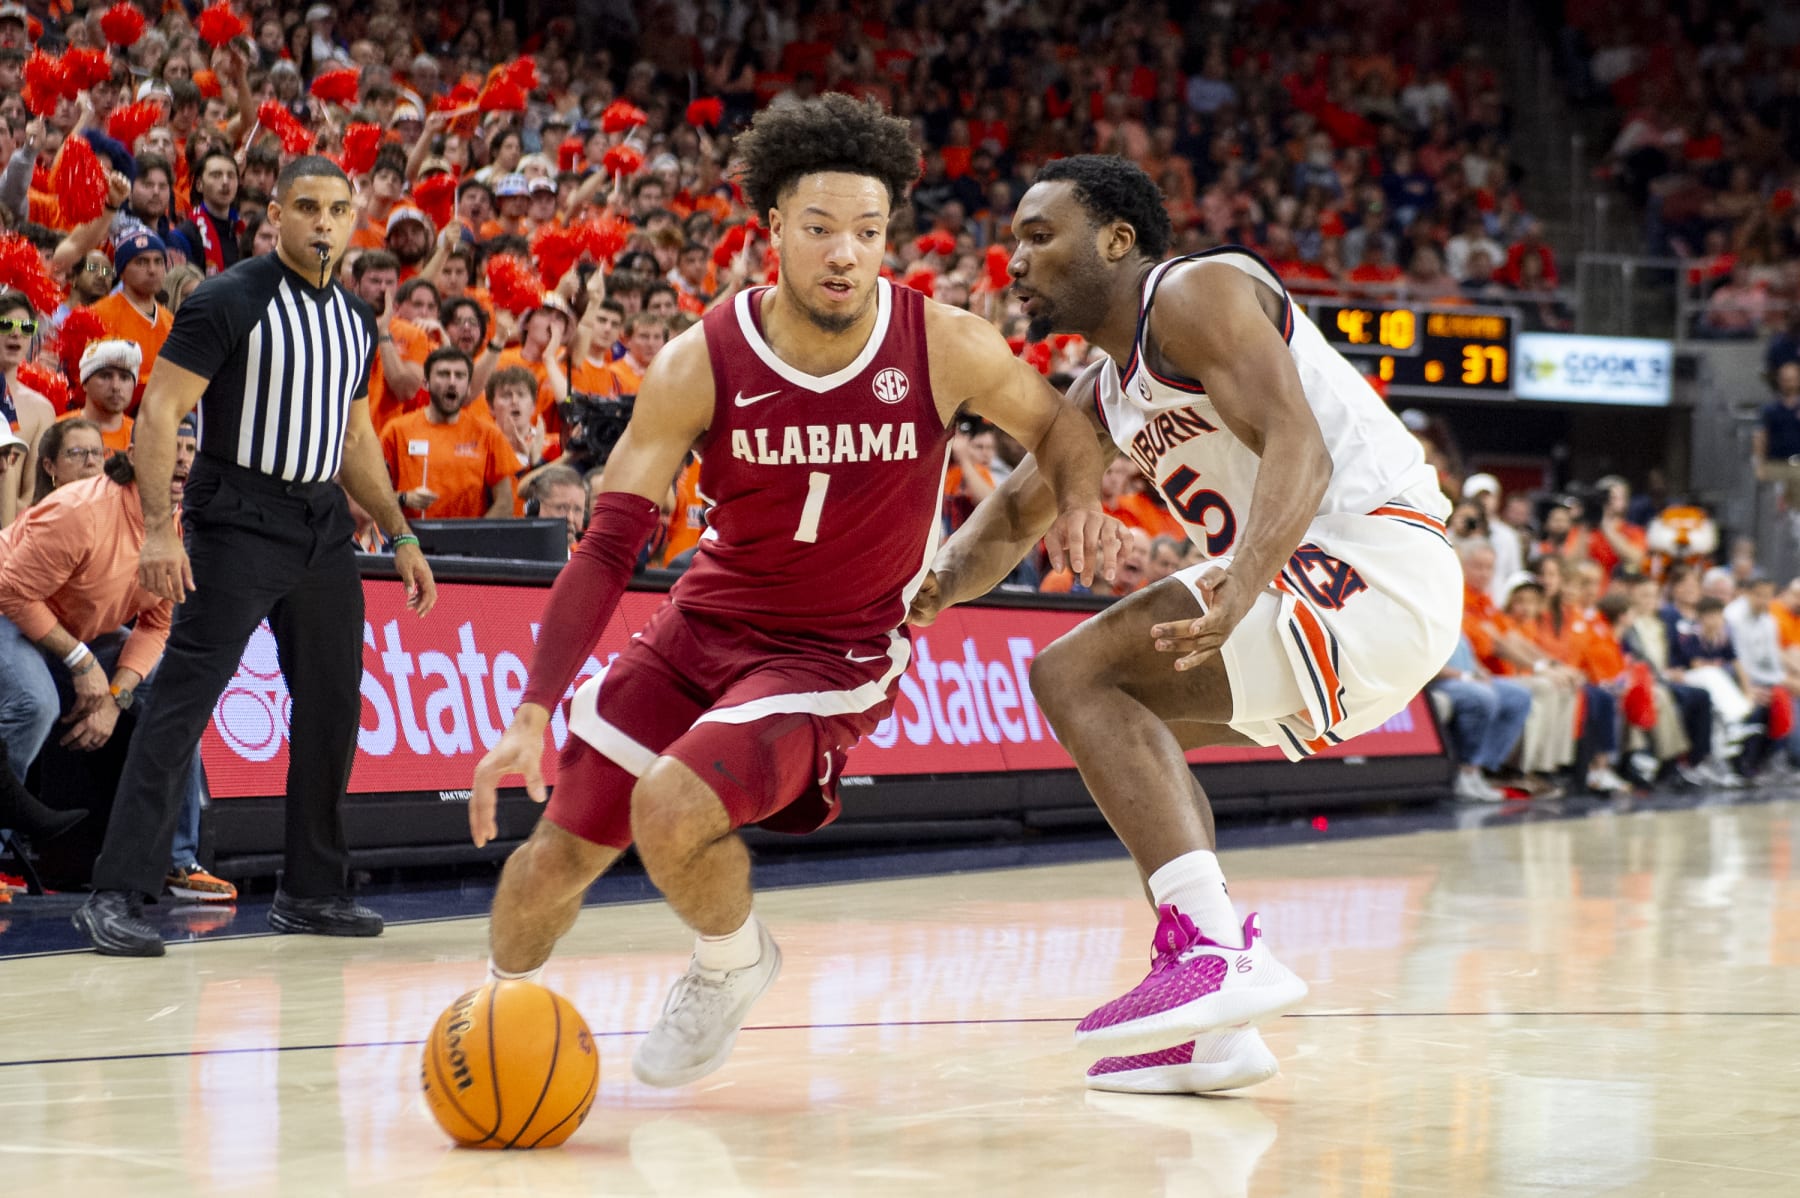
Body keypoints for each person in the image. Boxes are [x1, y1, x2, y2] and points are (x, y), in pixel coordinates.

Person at [466, 95, 1115, 1090]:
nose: (846, 255)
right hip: (703, 626)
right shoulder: (700, 359)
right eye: (820, 230)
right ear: (772, 230)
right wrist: (533, 707)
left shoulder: (943, 343)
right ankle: (486, 1036)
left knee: (673, 809)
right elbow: (607, 546)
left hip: (837, 652)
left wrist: (1077, 503)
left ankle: (731, 965)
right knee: (541, 874)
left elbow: (1068, 427)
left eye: (867, 232)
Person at [914, 154, 1464, 1095]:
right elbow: (1008, 518)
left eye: (1040, 235)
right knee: (1132, 737)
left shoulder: (1197, 290)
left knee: (1074, 675)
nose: (1016, 259)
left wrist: (1244, 585)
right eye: (1014, 240)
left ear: (1118, 241)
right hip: (1331, 588)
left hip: (1373, 558)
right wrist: (913, 603)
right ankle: (1219, 1031)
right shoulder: (1102, 393)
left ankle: (1215, 955)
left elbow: (1302, 442)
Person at [74, 156, 438, 958]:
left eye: (339, 209)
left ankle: (311, 891)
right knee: (183, 700)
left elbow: (353, 436)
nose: (322, 223)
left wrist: (400, 532)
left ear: (354, 219)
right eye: (306, 207)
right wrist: (163, 529)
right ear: (275, 214)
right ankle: (116, 889)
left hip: (319, 524)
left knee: (334, 704)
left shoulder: (354, 318)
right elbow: (162, 409)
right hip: (236, 514)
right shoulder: (230, 296)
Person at [380, 347, 520, 519]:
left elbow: (505, 504)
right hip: (409, 538)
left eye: (460, 376)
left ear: (469, 386)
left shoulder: (488, 434)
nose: (452, 382)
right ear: (426, 382)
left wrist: (472, 538)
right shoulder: (396, 431)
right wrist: (404, 499)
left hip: (468, 540)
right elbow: (373, 497)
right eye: (444, 374)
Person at [89, 230, 174, 388]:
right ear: (121, 272)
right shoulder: (98, 315)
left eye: (158, 261)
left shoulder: (171, 322)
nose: (152, 270)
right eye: (141, 262)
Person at [60, 340, 141, 454]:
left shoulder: (143, 438)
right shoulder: (58, 431)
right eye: (105, 376)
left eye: (124, 378)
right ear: (84, 383)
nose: (115, 386)